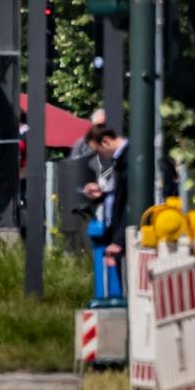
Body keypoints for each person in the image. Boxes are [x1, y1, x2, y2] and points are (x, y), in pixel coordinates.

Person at [82, 125, 129, 297]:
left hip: (124, 235)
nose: (100, 156)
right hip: (120, 234)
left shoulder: (128, 158)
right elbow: (123, 195)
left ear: (106, 142)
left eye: (98, 151)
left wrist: (119, 239)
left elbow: (131, 202)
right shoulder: (122, 159)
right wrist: (103, 196)